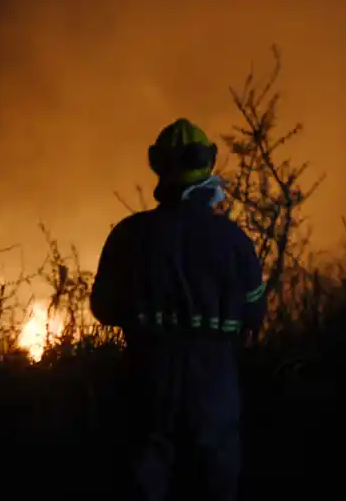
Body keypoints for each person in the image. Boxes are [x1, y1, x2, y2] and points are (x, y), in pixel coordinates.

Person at [90, 118, 268, 501]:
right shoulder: (234, 241)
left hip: (146, 374)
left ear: (157, 164)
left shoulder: (129, 234)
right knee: (214, 485)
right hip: (214, 380)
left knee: (142, 483)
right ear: (208, 163)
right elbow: (255, 313)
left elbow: (102, 307)